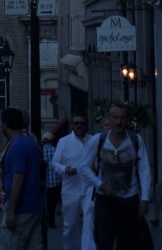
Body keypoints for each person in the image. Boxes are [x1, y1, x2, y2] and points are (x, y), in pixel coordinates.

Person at [79, 103, 151, 250]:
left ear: (127, 120)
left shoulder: (136, 141)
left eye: (122, 118)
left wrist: (145, 198)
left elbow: (144, 170)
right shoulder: (98, 140)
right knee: (103, 241)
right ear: (110, 119)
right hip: (105, 200)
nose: (119, 122)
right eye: (115, 118)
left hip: (129, 200)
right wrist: (101, 185)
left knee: (128, 243)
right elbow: (83, 167)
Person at [0, 106, 45, 250]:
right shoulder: (30, 142)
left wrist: (11, 211)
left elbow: (18, 179)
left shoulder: (17, 146)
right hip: (34, 208)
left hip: (21, 210)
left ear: (5, 125)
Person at [50, 114, 96, 250]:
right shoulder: (64, 142)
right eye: (76, 123)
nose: (79, 126)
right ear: (72, 125)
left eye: (82, 123)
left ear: (86, 124)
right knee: (70, 226)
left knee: (90, 223)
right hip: (71, 190)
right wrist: (65, 169)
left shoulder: (93, 140)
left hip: (89, 188)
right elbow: (54, 162)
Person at [42, 133, 61, 228]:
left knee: (46, 202)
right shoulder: (55, 150)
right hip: (56, 181)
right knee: (53, 203)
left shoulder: (41, 151)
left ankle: (45, 219)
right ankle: (51, 221)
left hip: (46, 181)